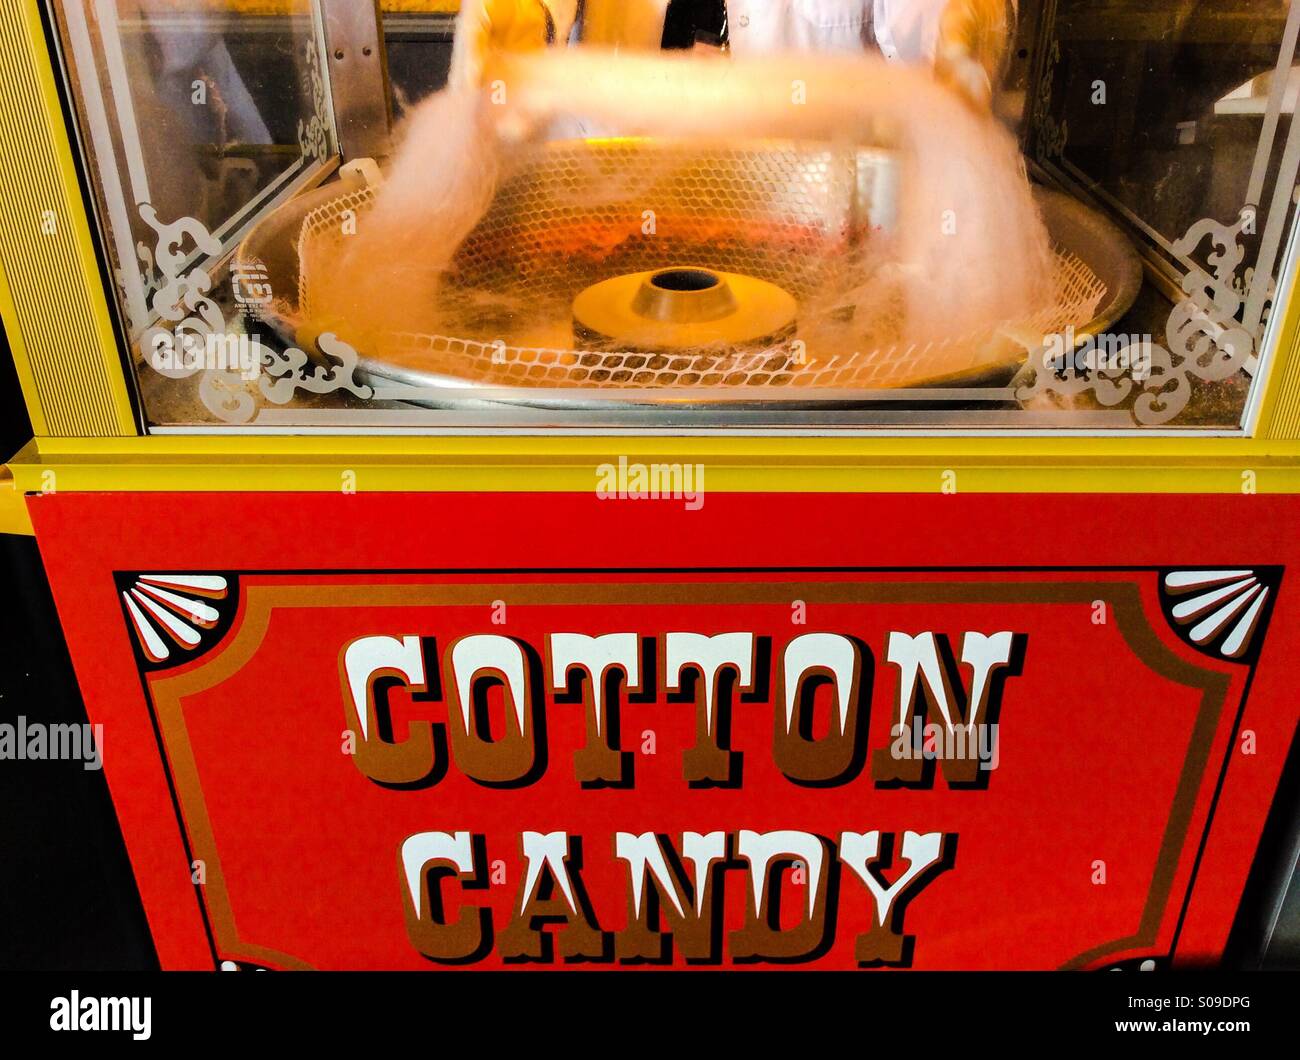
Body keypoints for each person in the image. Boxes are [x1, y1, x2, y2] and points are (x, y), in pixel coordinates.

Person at [449, 0, 1015, 111]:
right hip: (599, 217)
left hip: (823, 229)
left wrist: (965, 21)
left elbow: (933, 23)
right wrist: (530, 19)